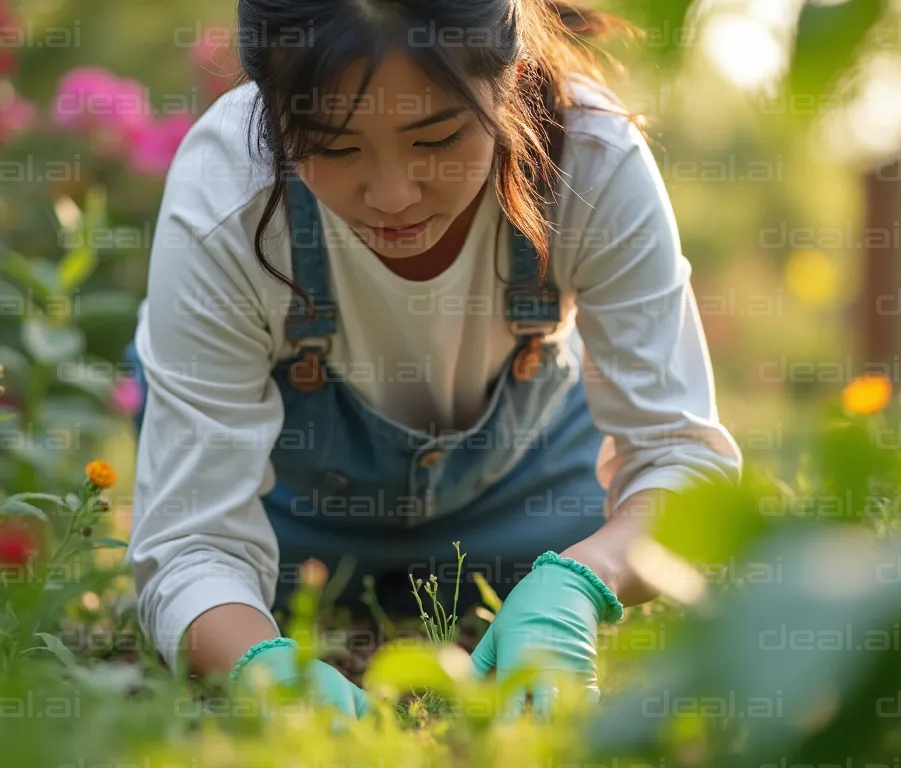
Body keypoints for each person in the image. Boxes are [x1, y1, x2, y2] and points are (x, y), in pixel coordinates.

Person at [124, 0, 742, 718]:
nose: (392, 196)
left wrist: (581, 581)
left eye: (437, 138)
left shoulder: (591, 160)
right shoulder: (226, 192)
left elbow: (681, 459)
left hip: (536, 507)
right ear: (271, 106)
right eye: (335, 146)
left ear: (507, 77)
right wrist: (262, 668)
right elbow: (189, 542)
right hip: (289, 527)